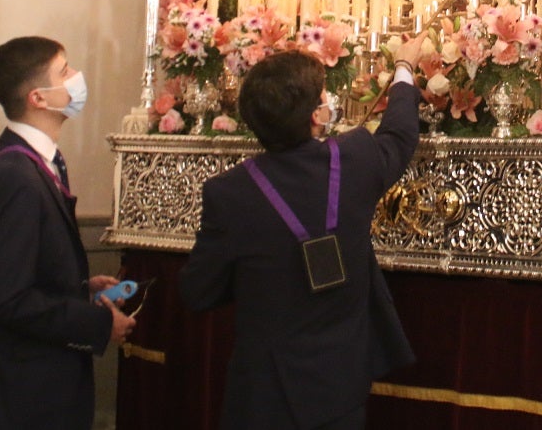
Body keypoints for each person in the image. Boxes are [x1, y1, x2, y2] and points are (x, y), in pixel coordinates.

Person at [179, 36, 425, 429]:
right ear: (317, 115)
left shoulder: (228, 192)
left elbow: (199, 291)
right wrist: (404, 68)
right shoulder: (356, 158)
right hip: (339, 388)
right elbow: (399, 134)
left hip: (261, 393)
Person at [0, 37, 136, 429]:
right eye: (65, 71)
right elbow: (7, 297)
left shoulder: (39, 163)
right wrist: (96, 324)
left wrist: (79, 289)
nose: (77, 78)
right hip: (21, 394)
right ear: (38, 99)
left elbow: (23, 268)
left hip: (36, 384)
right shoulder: (15, 176)